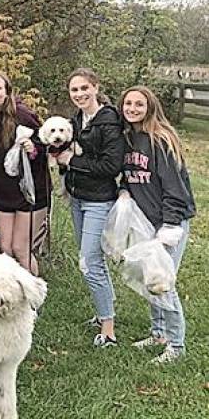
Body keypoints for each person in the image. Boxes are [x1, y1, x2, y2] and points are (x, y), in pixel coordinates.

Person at [119, 85, 195, 363]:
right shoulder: (129, 138)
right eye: (128, 104)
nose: (132, 109)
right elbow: (132, 174)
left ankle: (177, 345)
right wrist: (125, 190)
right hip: (146, 220)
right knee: (149, 277)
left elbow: (175, 187)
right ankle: (158, 332)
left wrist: (170, 225)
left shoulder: (160, 140)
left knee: (163, 280)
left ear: (150, 107)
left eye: (139, 104)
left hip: (169, 222)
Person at [57, 67, 125, 348]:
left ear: (96, 87)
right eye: (74, 90)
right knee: (92, 260)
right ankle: (102, 313)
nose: (80, 94)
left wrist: (71, 162)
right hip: (78, 198)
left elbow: (111, 166)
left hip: (99, 200)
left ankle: (108, 331)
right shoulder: (77, 120)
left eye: (85, 88)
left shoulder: (108, 121)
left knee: (89, 263)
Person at [0, 70, 49, 275]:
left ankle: (33, 299)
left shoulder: (22, 115)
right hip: (2, 192)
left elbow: (46, 141)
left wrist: (33, 149)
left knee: (21, 249)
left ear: (7, 92)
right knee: (5, 249)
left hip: (29, 193)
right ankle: (13, 295)